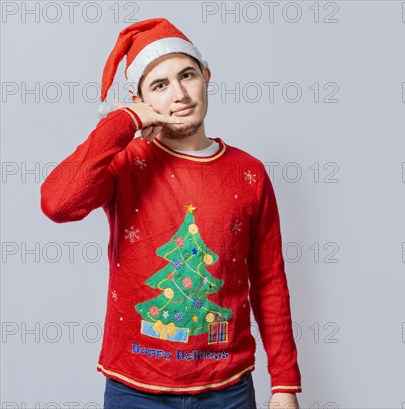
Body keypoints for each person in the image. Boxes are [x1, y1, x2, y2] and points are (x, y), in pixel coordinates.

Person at [40, 18, 302, 409]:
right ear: (140, 98)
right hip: (135, 388)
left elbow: (269, 281)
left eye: (187, 76)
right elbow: (57, 203)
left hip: (227, 388)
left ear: (206, 77)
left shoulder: (249, 173)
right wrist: (123, 122)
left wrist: (284, 384)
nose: (179, 94)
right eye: (160, 85)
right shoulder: (126, 163)